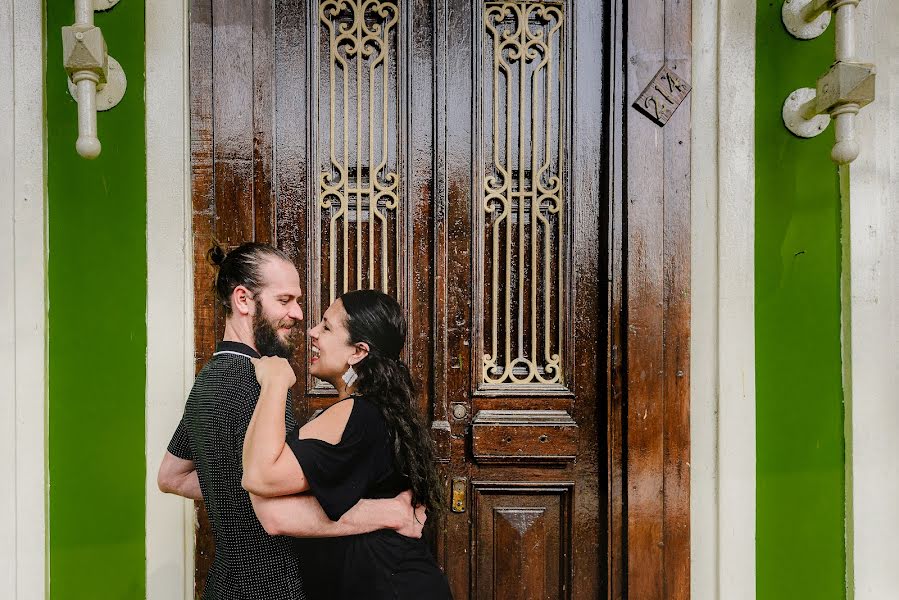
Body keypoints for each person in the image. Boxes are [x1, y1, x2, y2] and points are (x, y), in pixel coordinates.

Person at [157, 243, 424, 600]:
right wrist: (389, 511)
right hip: (270, 587)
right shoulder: (261, 383)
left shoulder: (207, 381)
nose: (299, 315)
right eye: (285, 301)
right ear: (243, 300)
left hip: (223, 586)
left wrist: (234, 498)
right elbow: (273, 511)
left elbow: (171, 476)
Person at [242, 289, 453, 599]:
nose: (312, 332)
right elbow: (277, 510)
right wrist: (389, 512)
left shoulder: (357, 413)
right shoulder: (377, 411)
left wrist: (274, 382)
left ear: (358, 352)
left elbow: (260, 478)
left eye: (327, 327)